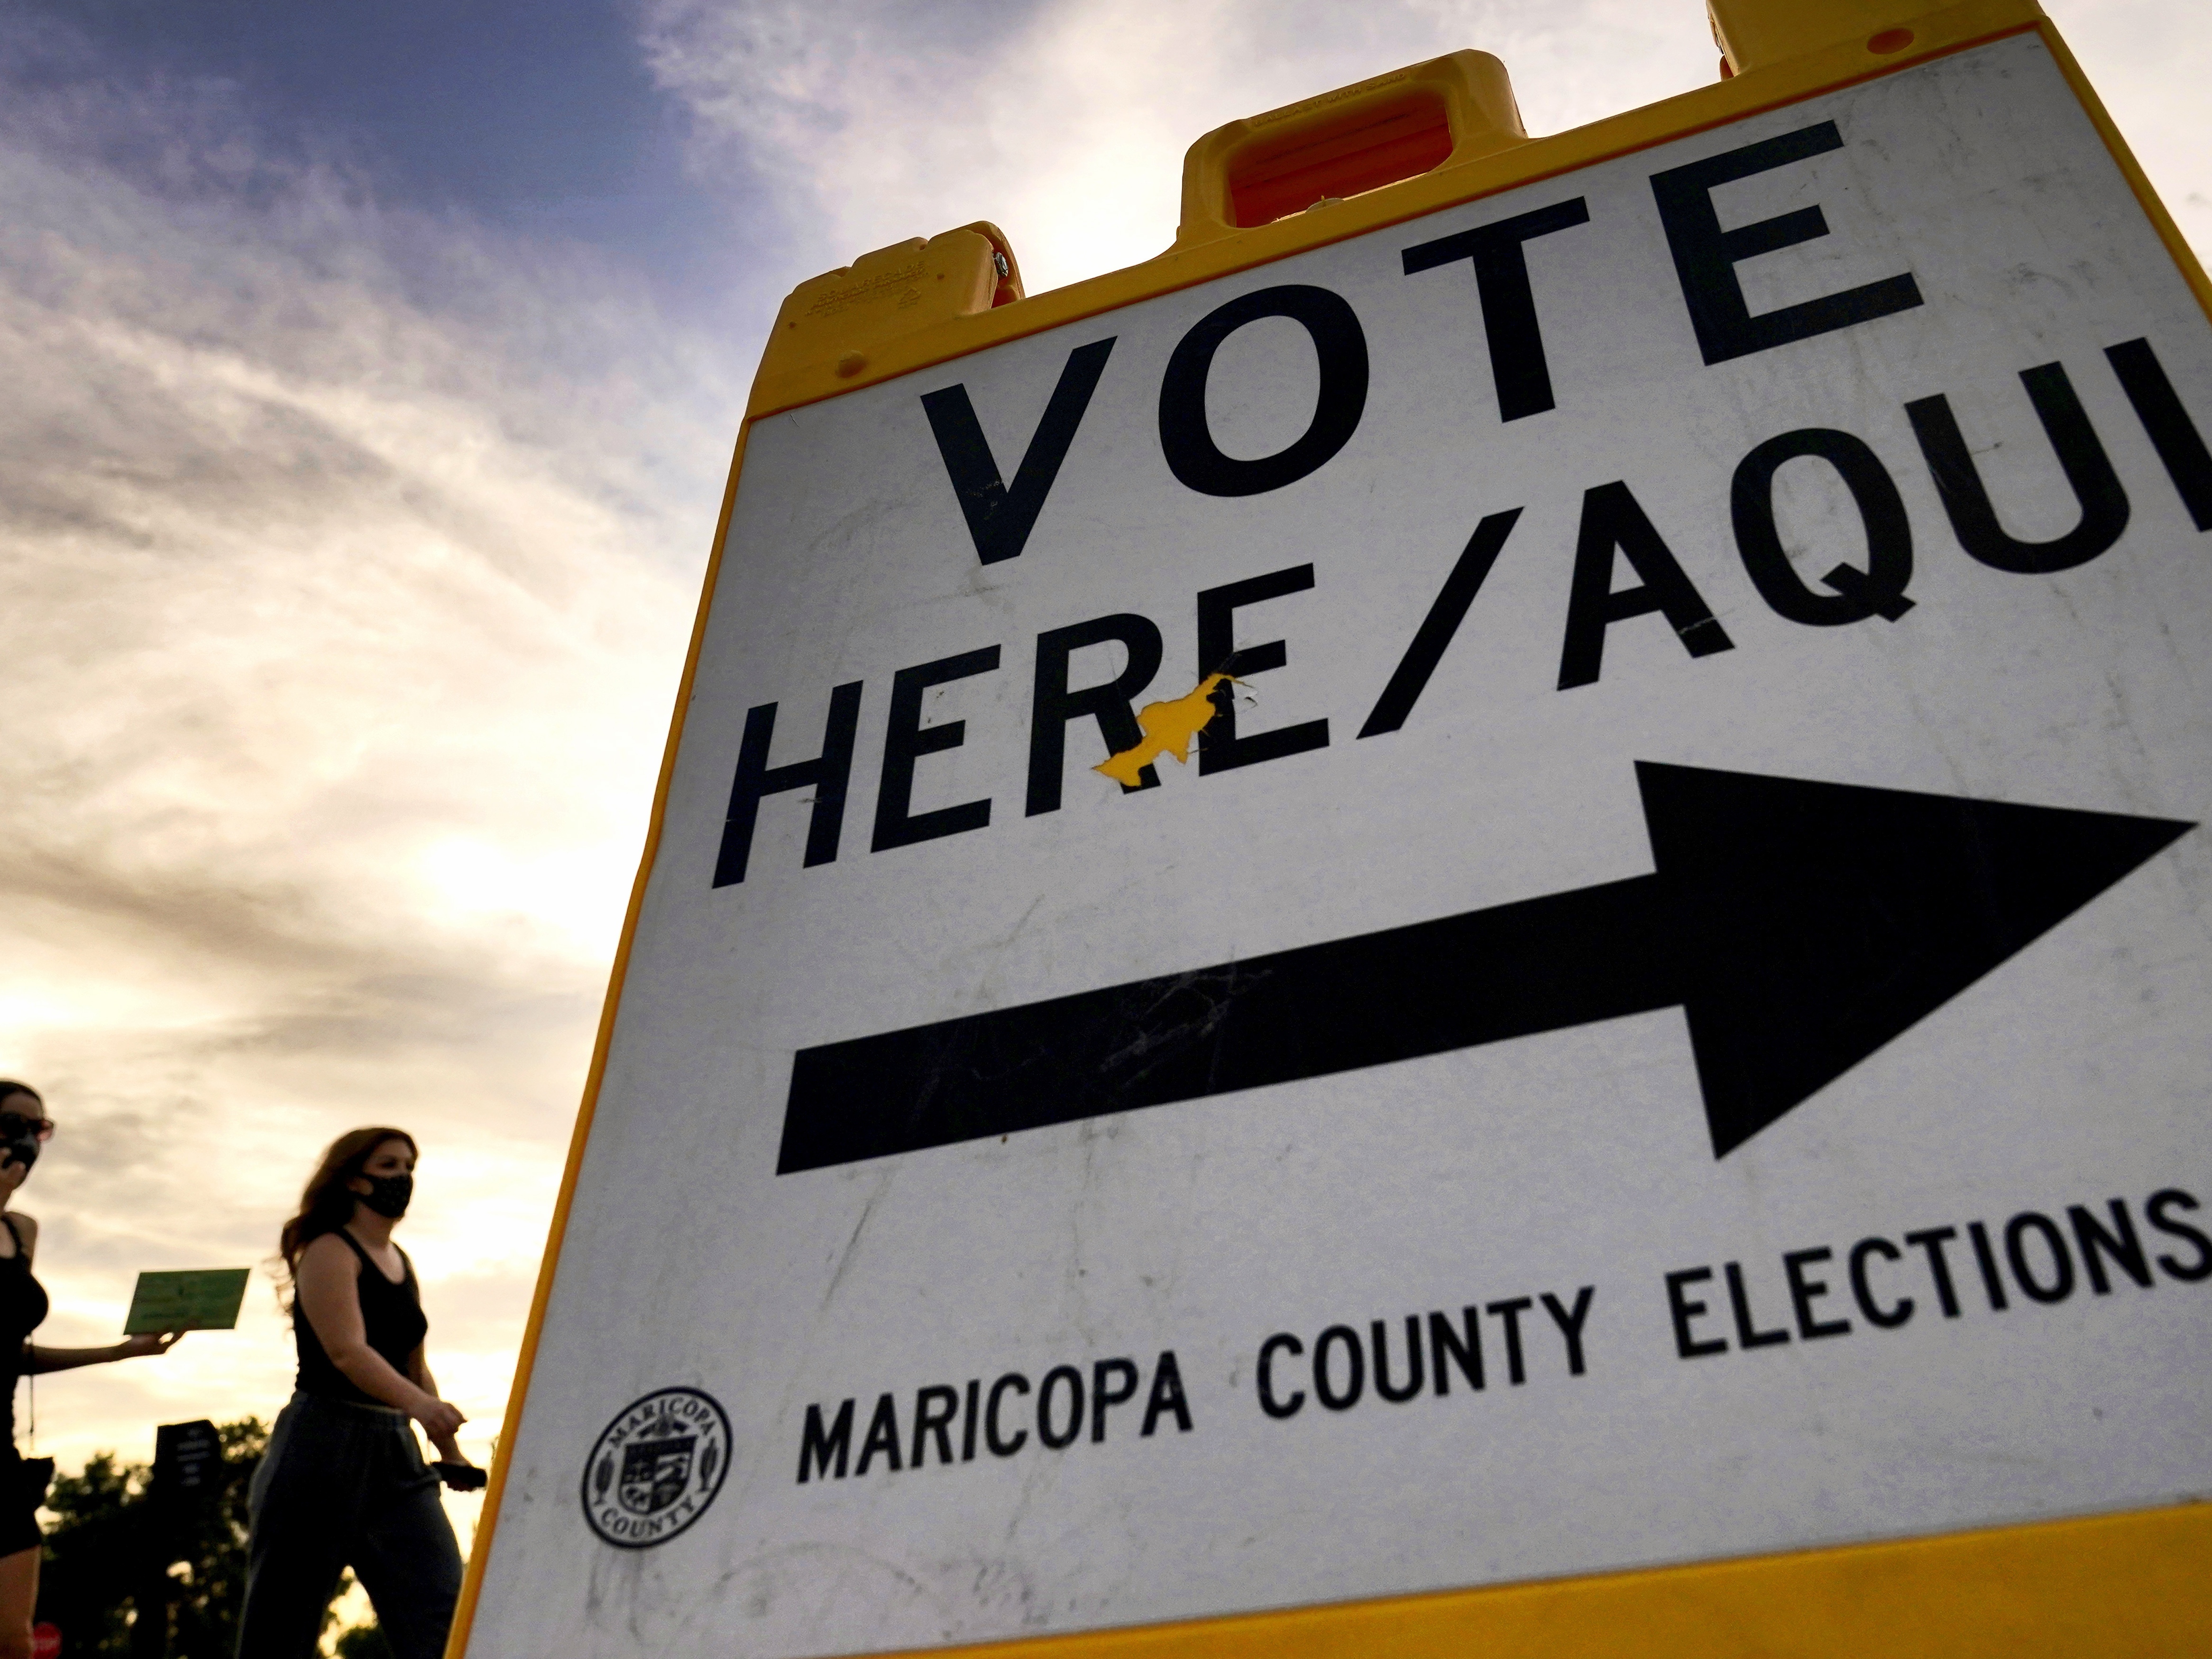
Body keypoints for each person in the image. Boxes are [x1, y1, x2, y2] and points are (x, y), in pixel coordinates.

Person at [237, 1127, 481, 1659]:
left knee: (445, 1615)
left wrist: (448, 1450)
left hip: (396, 1456)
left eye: (409, 1167)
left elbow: (414, 1365)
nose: (403, 1178)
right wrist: (418, 1405)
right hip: (321, 1446)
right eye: (389, 1165)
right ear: (352, 1177)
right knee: (282, 1628)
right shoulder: (329, 1250)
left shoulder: (401, 1260)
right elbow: (348, 1352)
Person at [0, 1080, 184, 1659]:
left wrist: (119, 1352)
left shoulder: (18, 1231)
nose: (29, 1139)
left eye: (40, 1128)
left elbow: (10, 1352)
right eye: (14, 1124)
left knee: (14, 1640)